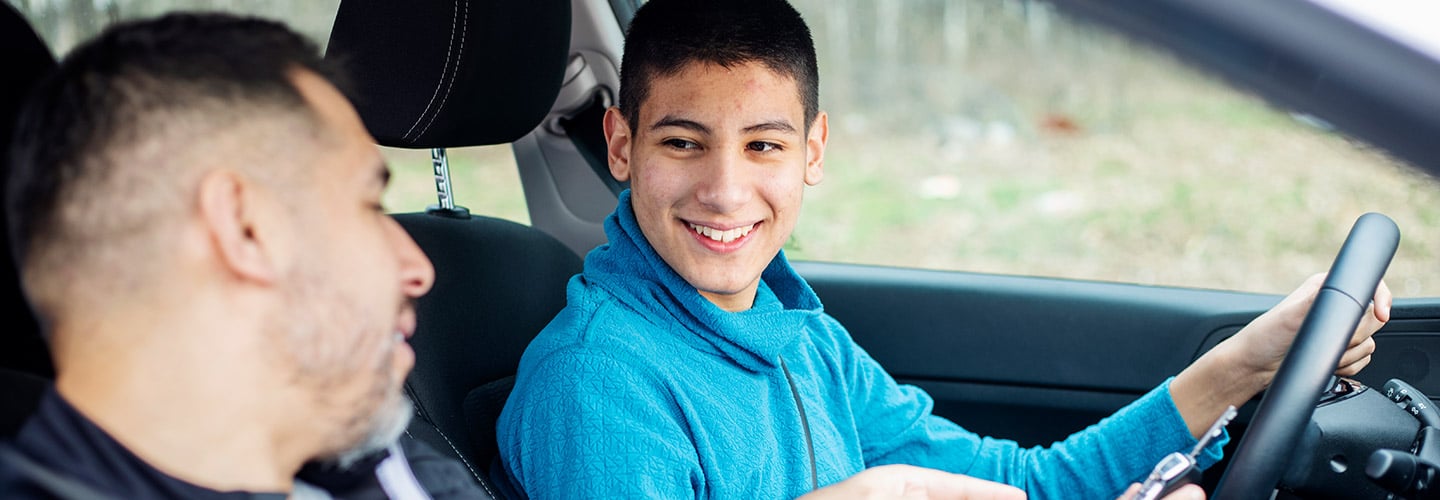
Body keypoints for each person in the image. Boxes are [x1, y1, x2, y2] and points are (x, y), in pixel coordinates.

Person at [0, 10, 1054, 500]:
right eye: (366, 206)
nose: (416, 266)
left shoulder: (379, 458)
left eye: (765, 145)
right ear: (242, 228)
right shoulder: (592, 380)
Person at [494, 0, 1390, 498]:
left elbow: (1022, 482)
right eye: (683, 143)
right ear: (622, 146)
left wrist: (1243, 365)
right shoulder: (598, 385)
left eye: (763, 145)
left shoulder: (799, 336)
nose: (726, 191)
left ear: (813, 153)